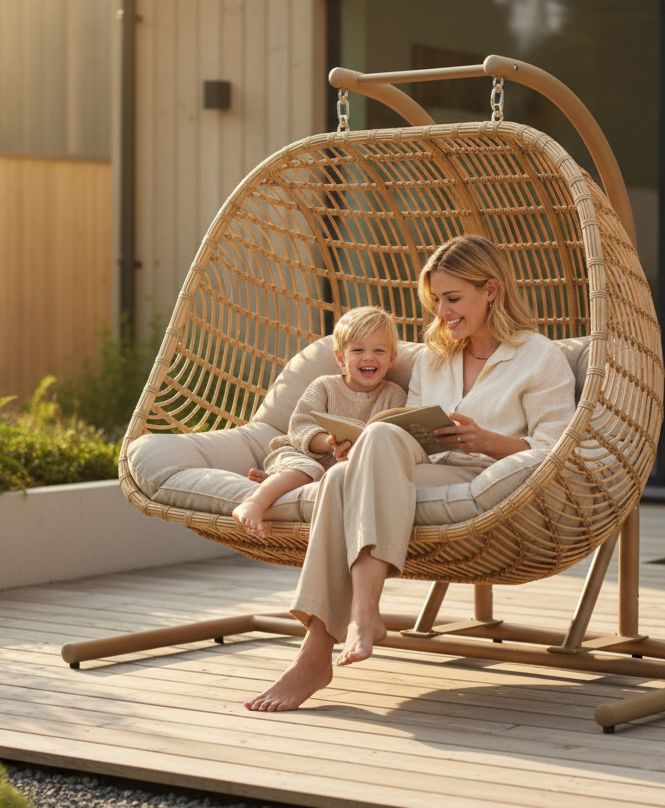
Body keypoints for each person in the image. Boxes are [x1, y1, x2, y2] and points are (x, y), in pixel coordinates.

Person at [244, 234, 576, 712]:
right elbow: (411, 433)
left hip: (484, 474)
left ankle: (345, 628)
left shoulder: (539, 356)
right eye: (436, 300)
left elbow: (554, 448)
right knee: (340, 475)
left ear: (491, 290)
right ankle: (332, 642)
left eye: (454, 298)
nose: (443, 312)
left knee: (353, 467)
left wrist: (487, 440)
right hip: (426, 469)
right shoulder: (435, 354)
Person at [232, 306, 407, 539]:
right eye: (357, 350)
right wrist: (328, 442)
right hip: (303, 455)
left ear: (392, 358)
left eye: (379, 350)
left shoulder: (394, 395)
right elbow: (301, 426)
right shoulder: (325, 386)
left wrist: (354, 454)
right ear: (340, 357)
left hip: (348, 466)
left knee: (342, 476)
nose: (368, 357)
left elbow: (395, 437)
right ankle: (254, 503)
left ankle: (280, 482)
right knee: (308, 468)